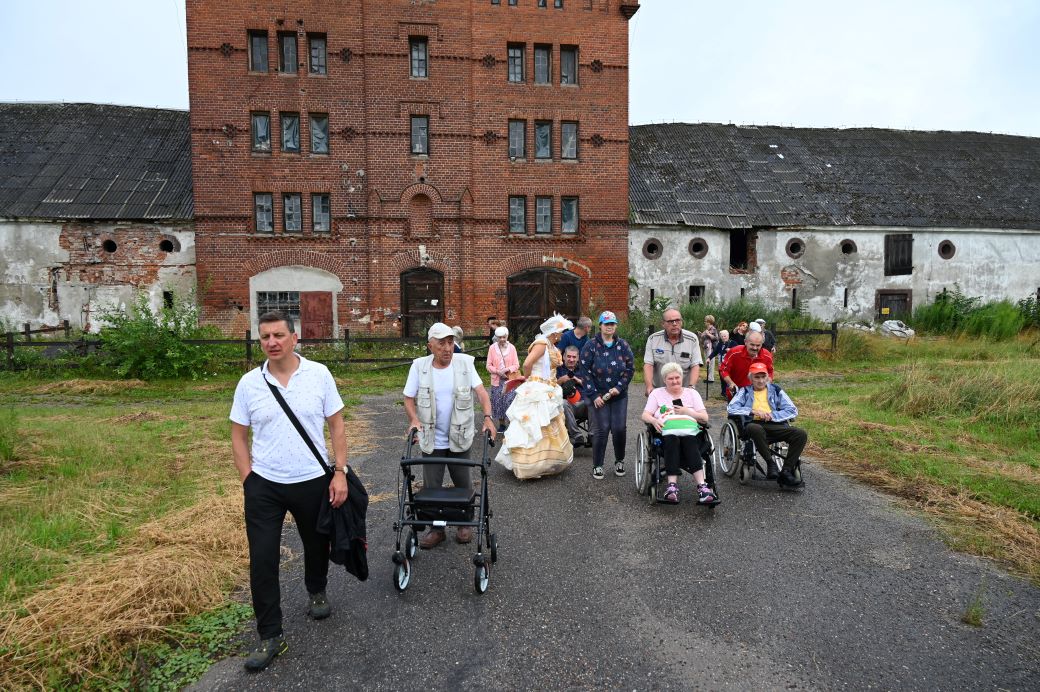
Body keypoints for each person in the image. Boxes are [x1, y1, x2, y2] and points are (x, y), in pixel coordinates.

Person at [230, 310, 348, 672]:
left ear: (295, 338)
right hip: (265, 485)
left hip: (312, 479)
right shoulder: (249, 383)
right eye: (265, 337)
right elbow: (238, 434)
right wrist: (249, 479)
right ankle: (270, 635)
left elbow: (336, 425)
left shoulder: (319, 375)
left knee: (316, 543)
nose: (272, 342)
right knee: (263, 559)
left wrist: (339, 472)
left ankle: (316, 590)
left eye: (278, 335)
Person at [404, 322, 497, 548]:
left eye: (450, 342)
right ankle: (437, 529)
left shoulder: (465, 364)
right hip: (431, 438)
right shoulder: (419, 367)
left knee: (463, 483)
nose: (447, 348)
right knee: (432, 487)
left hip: (460, 434)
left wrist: (487, 417)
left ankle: (464, 523)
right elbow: (408, 398)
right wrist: (414, 419)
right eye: (441, 344)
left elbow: (481, 392)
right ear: (430, 346)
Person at [496, 314, 576, 479]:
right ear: (554, 332)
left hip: (548, 387)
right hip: (538, 387)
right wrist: (528, 379)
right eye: (561, 331)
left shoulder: (551, 345)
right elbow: (527, 363)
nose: (562, 335)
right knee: (533, 423)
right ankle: (528, 465)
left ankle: (546, 461)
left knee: (547, 423)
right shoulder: (541, 343)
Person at [641, 362, 716, 504]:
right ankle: (672, 486)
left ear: (682, 378)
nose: (674, 381)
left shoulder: (692, 393)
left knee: (690, 440)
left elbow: (704, 418)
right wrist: (654, 421)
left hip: (690, 432)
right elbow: (645, 415)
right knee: (671, 439)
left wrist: (687, 411)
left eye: (677, 377)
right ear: (664, 380)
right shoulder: (657, 393)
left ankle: (702, 487)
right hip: (667, 433)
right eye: (670, 378)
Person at [727, 362, 807, 488]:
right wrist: (752, 411)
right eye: (756, 377)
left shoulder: (776, 390)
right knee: (755, 428)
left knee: (800, 434)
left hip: (774, 424)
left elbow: (792, 409)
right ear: (750, 378)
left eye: (763, 377)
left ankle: (786, 471)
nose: (760, 380)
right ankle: (771, 464)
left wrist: (772, 415)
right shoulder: (744, 391)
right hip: (753, 425)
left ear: (768, 377)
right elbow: (731, 407)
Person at [581, 310, 635, 479]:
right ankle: (598, 465)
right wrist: (594, 395)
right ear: (600, 326)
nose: (609, 327)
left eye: (612, 324)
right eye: (606, 324)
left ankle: (619, 461)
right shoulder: (591, 345)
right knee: (602, 429)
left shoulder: (623, 345)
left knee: (619, 428)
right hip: (599, 396)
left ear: (615, 326)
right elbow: (584, 371)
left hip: (619, 395)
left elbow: (630, 368)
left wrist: (619, 387)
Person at [643, 308, 702, 396]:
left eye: (677, 320)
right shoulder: (653, 339)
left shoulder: (692, 339)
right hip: (659, 391)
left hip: (683, 392)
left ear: (681, 322)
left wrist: (691, 387)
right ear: (663, 324)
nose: (674, 324)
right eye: (670, 321)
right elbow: (648, 365)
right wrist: (649, 386)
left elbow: (695, 365)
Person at [720, 330, 774, 398]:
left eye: (758, 345)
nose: (755, 348)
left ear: (762, 344)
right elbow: (723, 369)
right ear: (745, 342)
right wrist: (730, 383)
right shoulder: (734, 352)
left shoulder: (767, 356)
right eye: (752, 344)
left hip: (757, 395)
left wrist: (766, 384)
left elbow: (770, 372)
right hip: (736, 393)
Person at [485, 325, 519, 432]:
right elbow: (488, 365)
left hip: (510, 380)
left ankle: (512, 424)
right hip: (497, 380)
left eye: (504, 337)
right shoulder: (492, 348)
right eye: (500, 337)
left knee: (510, 401)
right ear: (496, 337)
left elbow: (516, 365)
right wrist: (498, 371)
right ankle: (502, 424)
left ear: (507, 336)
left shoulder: (512, 348)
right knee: (498, 402)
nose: (502, 339)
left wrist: (507, 369)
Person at [556, 345, 591, 448]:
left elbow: (592, 386)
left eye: (574, 357)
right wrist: (561, 380)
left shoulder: (584, 369)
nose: (571, 359)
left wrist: (578, 380)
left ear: (578, 358)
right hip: (568, 406)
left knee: (592, 401)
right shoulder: (558, 369)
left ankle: (592, 435)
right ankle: (577, 436)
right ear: (564, 357)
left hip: (584, 404)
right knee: (562, 403)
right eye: (569, 356)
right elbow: (551, 387)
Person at [701, 314, 721, 383]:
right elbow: (704, 338)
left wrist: (708, 334)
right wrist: (701, 334)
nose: (704, 322)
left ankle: (711, 378)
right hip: (706, 348)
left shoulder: (713, 329)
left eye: (705, 321)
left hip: (711, 348)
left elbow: (716, 338)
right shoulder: (707, 329)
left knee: (711, 363)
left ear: (709, 322)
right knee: (707, 363)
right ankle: (708, 378)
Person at [711, 329, 731, 397]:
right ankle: (723, 392)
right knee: (722, 379)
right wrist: (709, 358)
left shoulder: (732, 343)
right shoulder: (720, 344)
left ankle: (729, 392)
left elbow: (737, 350)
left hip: (728, 365)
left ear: (728, 336)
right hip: (721, 365)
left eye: (725, 336)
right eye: (722, 336)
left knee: (727, 379)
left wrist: (730, 350)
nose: (723, 338)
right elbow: (715, 352)